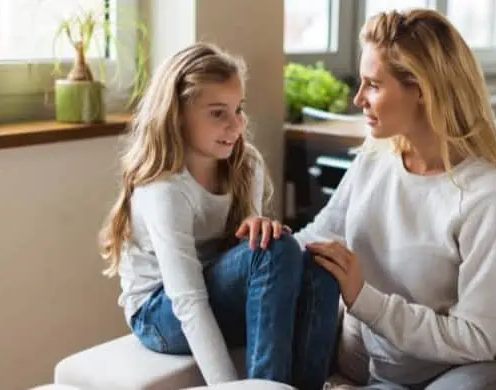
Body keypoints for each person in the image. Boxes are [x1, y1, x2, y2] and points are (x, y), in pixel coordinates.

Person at [295, 8, 496, 390]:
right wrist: (267, 242)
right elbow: (319, 238)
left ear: (422, 89)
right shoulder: (374, 157)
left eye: (373, 84)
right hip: (386, 371)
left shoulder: (488, 194)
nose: (358, 99)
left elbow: (477, 339)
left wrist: (363, 299)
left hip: (474, 370)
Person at [98, 42, 340, 390]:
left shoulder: (246, 165)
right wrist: (227, 386)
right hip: (159, 313)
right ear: (178, 114)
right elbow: (188, 299)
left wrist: (262, 231)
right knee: (276, 251)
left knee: (317, 267)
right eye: (217, 113)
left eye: (238, 109)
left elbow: (252, 257)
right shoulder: (165, 190)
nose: (236, 124)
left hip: (219, 292)